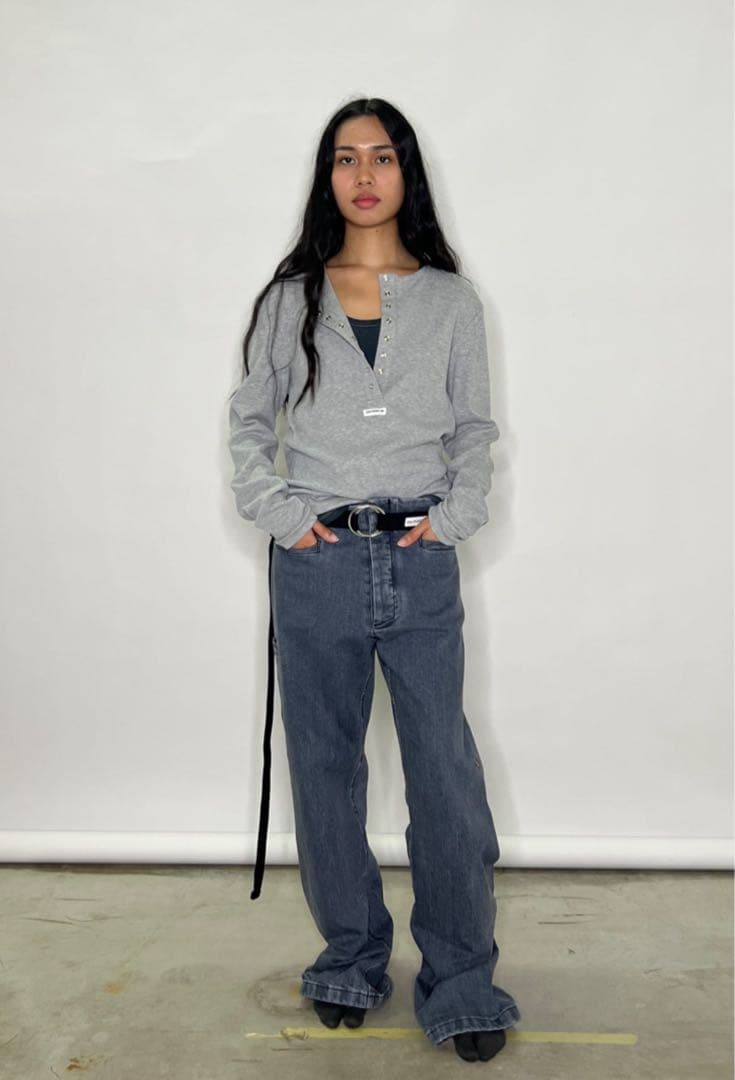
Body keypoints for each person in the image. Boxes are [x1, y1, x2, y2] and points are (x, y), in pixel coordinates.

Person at [227, 97, 521, 1063]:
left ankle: (462, 978)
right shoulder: (290, 298)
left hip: (418, 558)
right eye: (346, 158)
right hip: (314, 564)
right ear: (327, 177)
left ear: (406, 174)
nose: (363, 175)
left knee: (443, 774)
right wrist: (280, 515)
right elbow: (249, 419)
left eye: (382, 157)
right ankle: (349, 957)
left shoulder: (451, 301)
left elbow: (473, 429)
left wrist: (456, 516)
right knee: (323, 767)